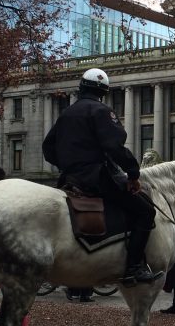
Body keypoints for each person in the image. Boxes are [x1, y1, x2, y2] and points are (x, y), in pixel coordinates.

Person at [42, 67, 161, 285]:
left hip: (69, 178)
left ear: (81, 88)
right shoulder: (101, 112)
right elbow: (114, 147)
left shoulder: (66, 113)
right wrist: (133, 174)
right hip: (96, 177)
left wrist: (68, 164)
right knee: (145, 211)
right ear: (103, 92)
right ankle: (133, 267)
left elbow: (48, 149)